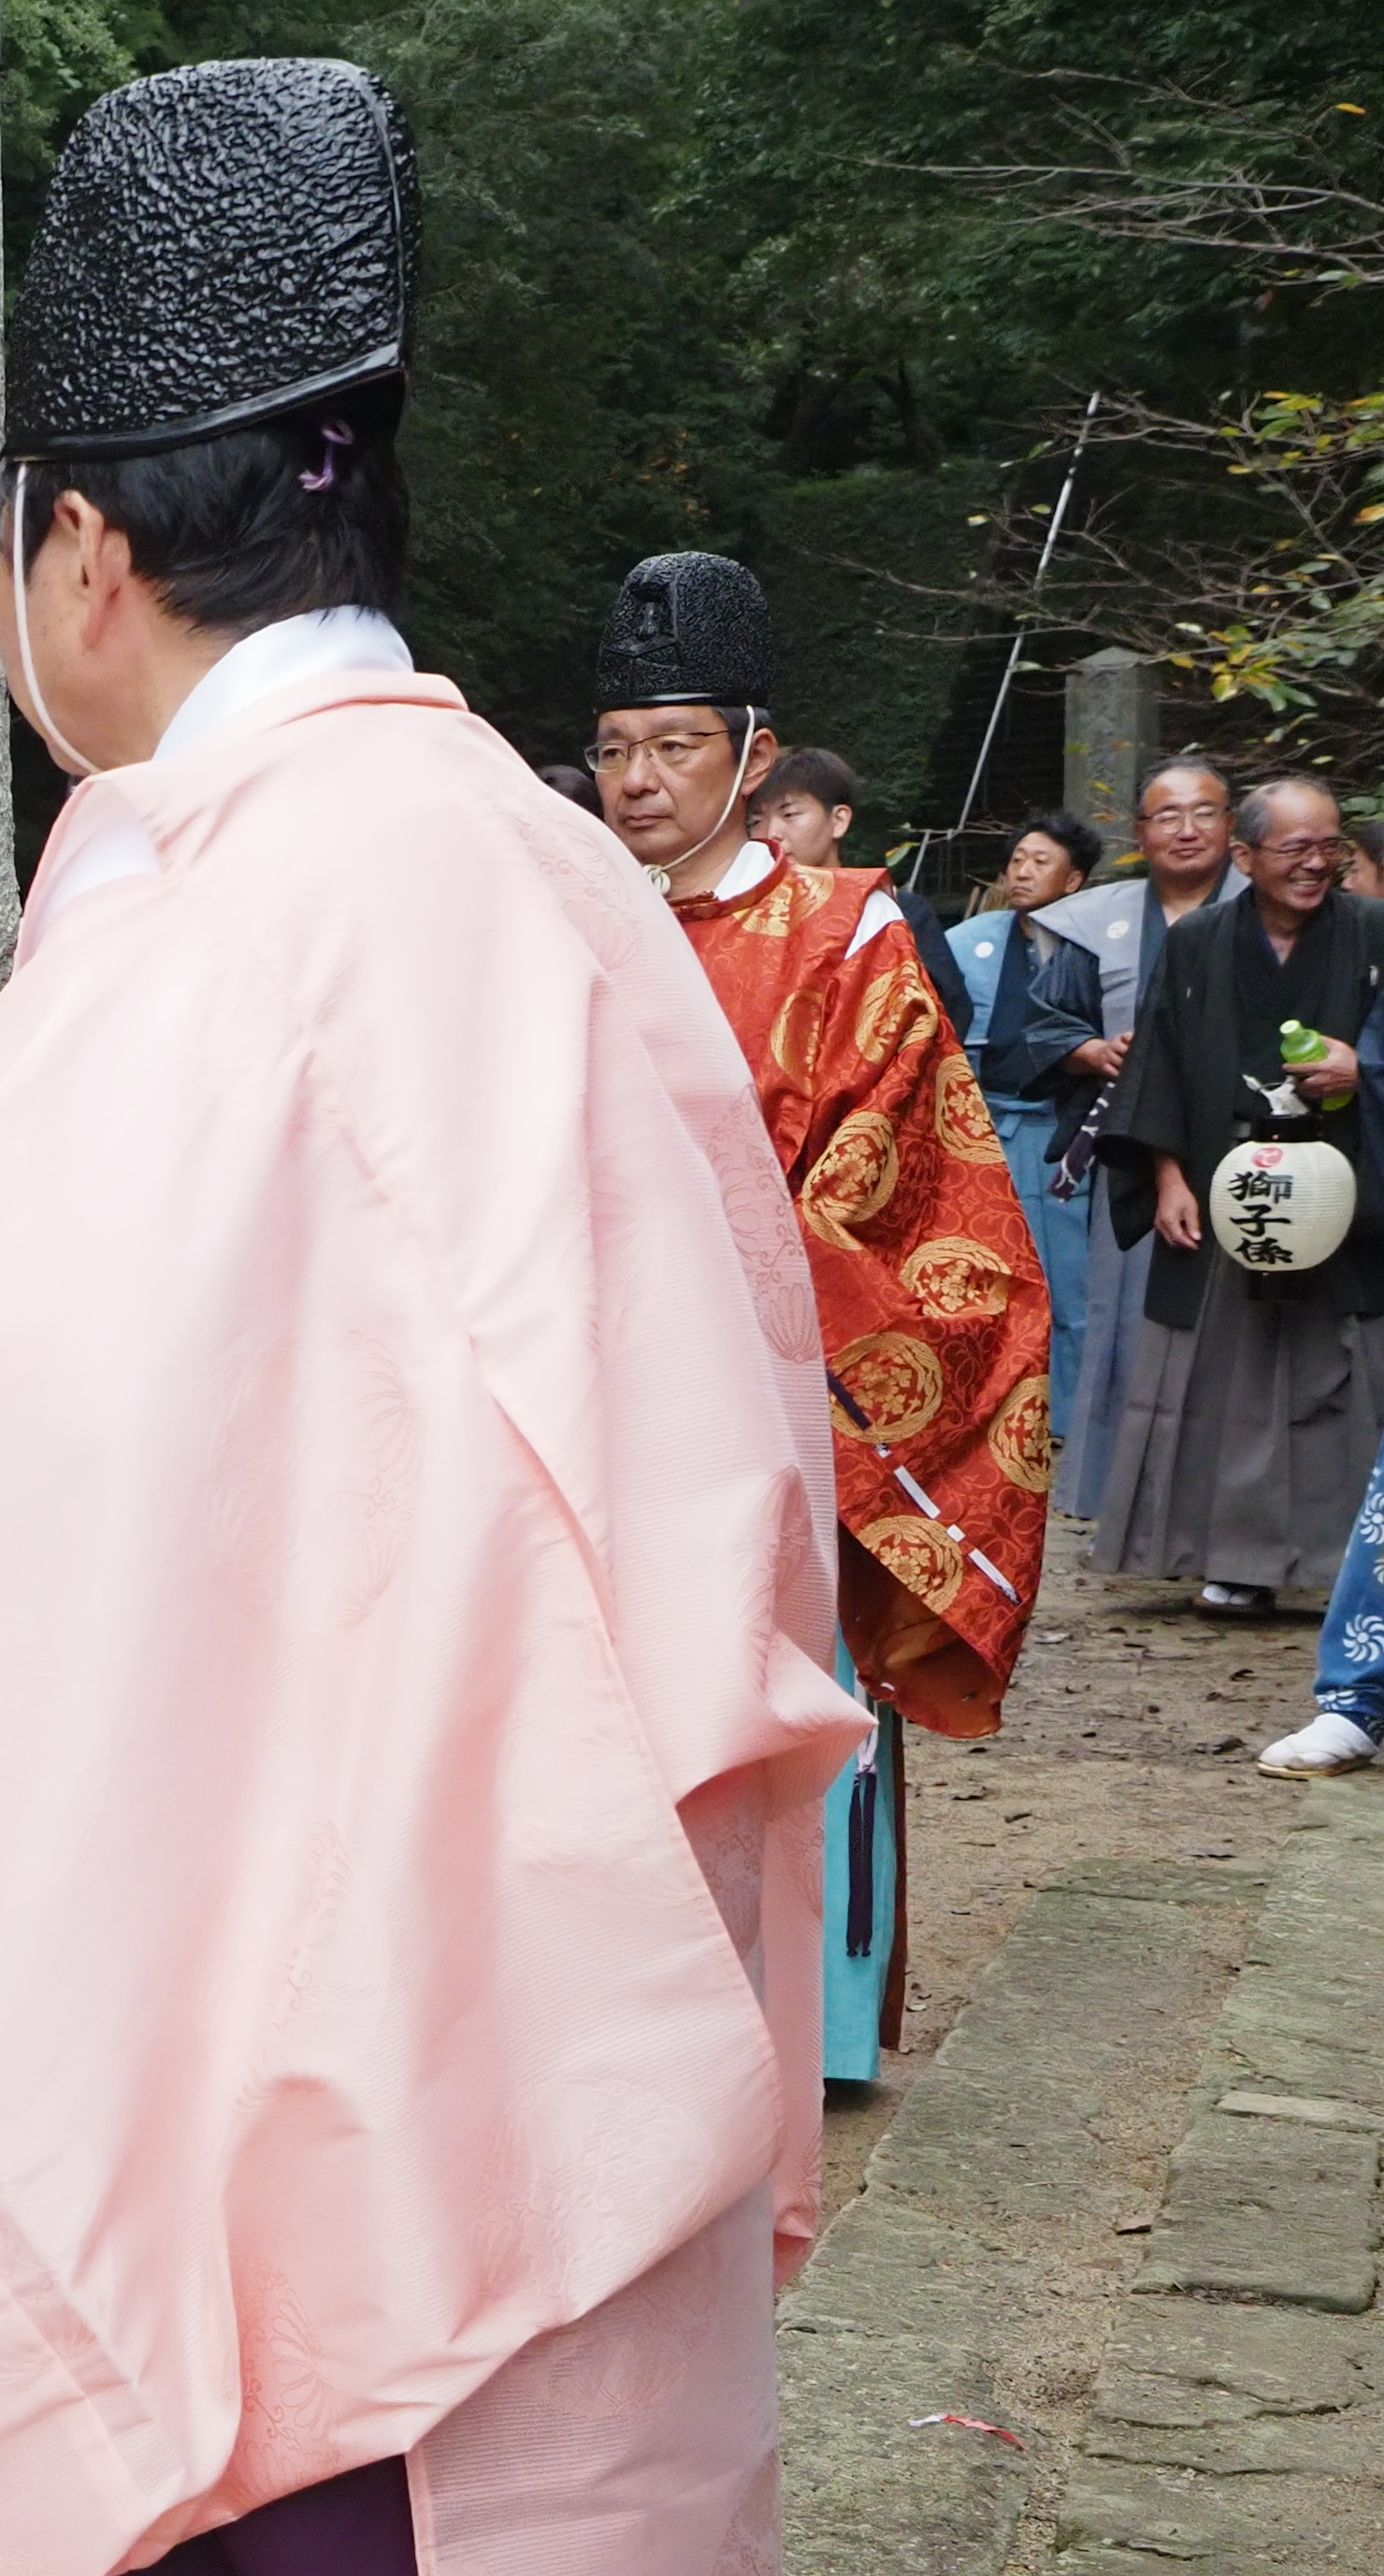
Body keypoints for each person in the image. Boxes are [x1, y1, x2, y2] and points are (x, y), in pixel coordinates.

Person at [0, 62, 860, 2572]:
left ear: (79, 553)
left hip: (318, 2247)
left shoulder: (205, 925)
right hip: (582, 2117)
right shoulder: (566, 891)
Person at [597, 550, 1050, 2085]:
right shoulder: (570, 924)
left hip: (787, 1396)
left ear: (752, 749)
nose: (638, 780)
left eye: (673, 744)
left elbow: (904, 1171)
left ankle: (819, 2028)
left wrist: (714, 1275)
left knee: (798, 1706)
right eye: (612, 746)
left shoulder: (843, 932)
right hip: (596, 1390)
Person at [1086, 774, 1384, 1609]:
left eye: (1330, 847)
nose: (1316, 864)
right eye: (1295, 849)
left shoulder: (1373, 933)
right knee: (1223, 1379)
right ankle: (1228, 1561)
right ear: (1246, 856)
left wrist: (1361, 1068)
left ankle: (1348, 1570)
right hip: (1225, 1190)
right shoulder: (1197, 942)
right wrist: (1168, 1175)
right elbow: (1163, 1064)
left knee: (1344, 1373)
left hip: (1345, 1195)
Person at [996, 757, 1246, 1518]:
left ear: (1232, 828)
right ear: (1139, 832)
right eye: (1165, 815)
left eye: (1203, 811)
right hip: (1133, 1150)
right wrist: (1093, 1052)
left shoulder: (1267, 910)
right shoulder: (1094, 922)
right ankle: (1128, 1494)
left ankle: (1229, 1500)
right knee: (1127, 1322)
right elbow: (1043, 1024)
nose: (1185, 828)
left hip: (1250, 1143)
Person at [948, 814, 1101, 1420]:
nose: (1022, 870)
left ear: (1073, 880)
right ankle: (986, 1413)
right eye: (1017, 858)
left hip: (1058, 1132)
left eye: (1040, 861)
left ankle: (1067, 1416)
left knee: (1069, 1283)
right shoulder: (972, 939)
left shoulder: (1093, 947)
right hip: (985, 1125)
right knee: (982, 1277)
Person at [755, 744, 970, 1013]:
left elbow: (946, 1011)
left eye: (789, 815)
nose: (771, 833)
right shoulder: (748, 919)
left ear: (839, 820)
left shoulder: (895, 911)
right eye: (756, 822)